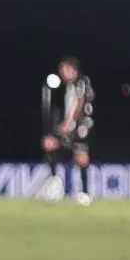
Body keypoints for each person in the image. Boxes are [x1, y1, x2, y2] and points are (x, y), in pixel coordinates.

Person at [44, 57, 97, 206]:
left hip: (80, 125)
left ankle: (85, 193)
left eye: (64, 69)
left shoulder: (81, 81)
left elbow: (79, 101)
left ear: (72, 69)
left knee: (81, 157)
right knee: (49, 143)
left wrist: (69, 122)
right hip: (72, 124)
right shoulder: (70, 85)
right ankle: (54, 181)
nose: (61, 72)